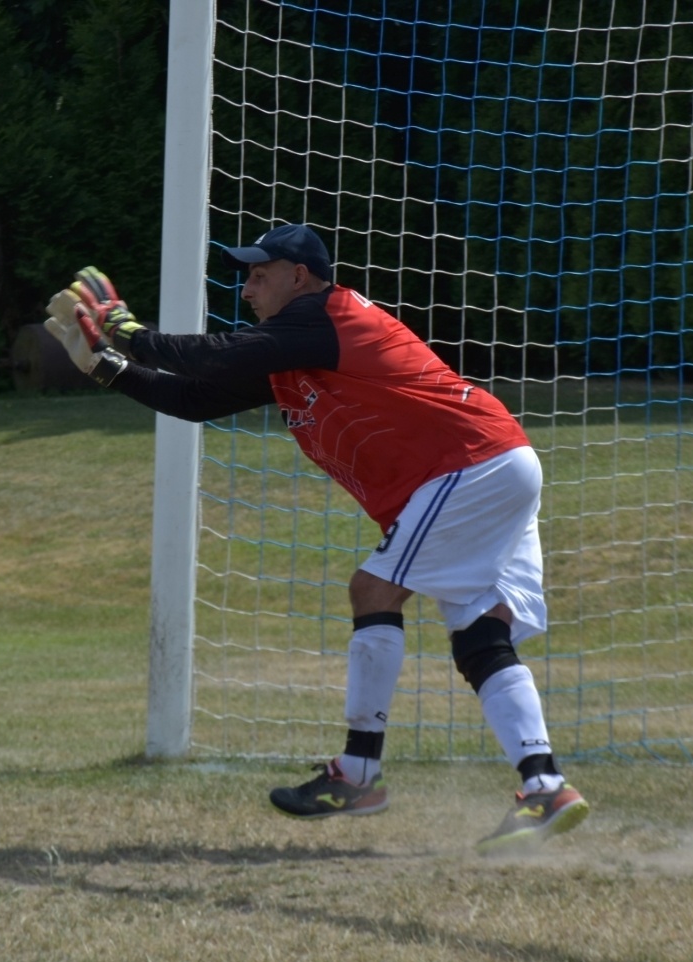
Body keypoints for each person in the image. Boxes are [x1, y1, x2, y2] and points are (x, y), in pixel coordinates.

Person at [41, 223, 588, 855]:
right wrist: (108, 368)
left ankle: (358, 775)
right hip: (491, 463)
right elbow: (193, 398)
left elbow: (210, 354)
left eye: (259, 274)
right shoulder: (290, 347)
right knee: (480, 633)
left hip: (470, 464)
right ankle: (545, 785)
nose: (247, 288)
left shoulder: (325, 316)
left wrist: (124, 330)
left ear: (298, 277)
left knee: (373, 588)